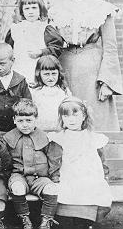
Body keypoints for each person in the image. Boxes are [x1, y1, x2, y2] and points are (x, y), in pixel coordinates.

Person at [49, 0, 123, 130]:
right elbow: (52, 43)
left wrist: (107, 82)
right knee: (66, 114)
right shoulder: (58, 9)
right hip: (65, 67)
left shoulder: (103, 8)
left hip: (92, 70)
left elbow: (110, 48)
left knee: (94, 117)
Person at [48, 97, 112, 228]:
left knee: (91, 192)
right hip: (67, 176)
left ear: (84, 116)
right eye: (66, 116)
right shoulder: (60, 138)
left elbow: (101, 160)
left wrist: (104, 176)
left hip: (88, 177)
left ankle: (85, 222)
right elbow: (54, 161)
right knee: (65, 198)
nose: (71, 120)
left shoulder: (93, 137)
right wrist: (55, 178)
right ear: (62, 118)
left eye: (75, 115)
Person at [3, 99, 58, 229]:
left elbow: (53, 159)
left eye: (29, 120)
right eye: (20, 121)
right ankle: (24, 218)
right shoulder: (8, 138)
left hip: (39, 178)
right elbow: (4, 161)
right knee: (17, 187)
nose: (25, 125)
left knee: (52, 188)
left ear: (35, 119)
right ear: (14, 119)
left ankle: (46, 220)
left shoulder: (44, 137)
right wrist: (6, 180)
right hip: (19, 176)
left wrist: (54, 178)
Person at [4, 0, 64, 83]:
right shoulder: (15, 29)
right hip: (19, 68)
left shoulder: (46, 28)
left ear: (40, 9)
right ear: (22, 11)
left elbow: (56, 48)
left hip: (39, 69)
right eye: (27, 8)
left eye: (34, 8)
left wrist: (41, 52)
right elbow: (7, 50)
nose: (30, 11)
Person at [30, 55, 71, 131]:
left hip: (60, 130)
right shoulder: (35, 92)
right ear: (39, 73)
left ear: (59, 73)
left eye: (54, 74)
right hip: (40, 131)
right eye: (46, 74)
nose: (51, 78)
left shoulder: (64, 91)